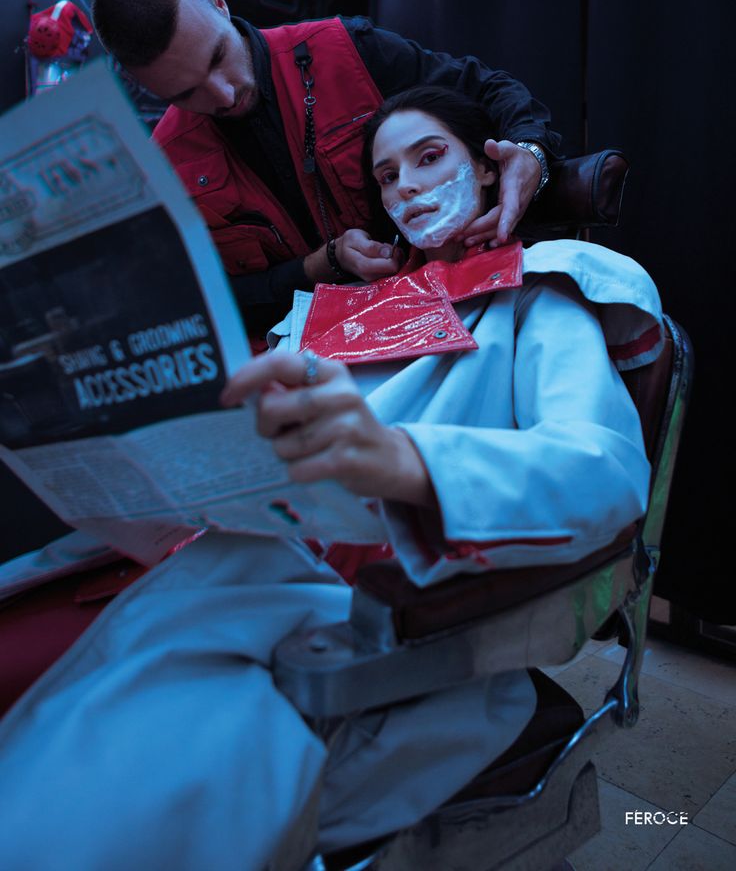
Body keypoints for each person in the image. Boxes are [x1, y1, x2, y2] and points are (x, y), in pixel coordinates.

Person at [0, 88, 662, 870]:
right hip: (227, 565)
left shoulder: (540, 292)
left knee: (103, 806)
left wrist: (405, 462)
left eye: (429, 158)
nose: (407, 186)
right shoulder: (339, 313)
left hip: (377, 621)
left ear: (487, 171)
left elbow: (608, 470)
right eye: (386, 177)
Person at [91, 0, 561, 345]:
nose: (223, 95)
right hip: (300, 360)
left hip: (436, 305)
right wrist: (315, 268)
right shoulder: (165, 166)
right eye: (185, 93)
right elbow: (200, 306)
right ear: (144, 87)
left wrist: (530, 154)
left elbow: (489, 88)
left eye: (217, 57)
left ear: (218, 2)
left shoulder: (343, 51)